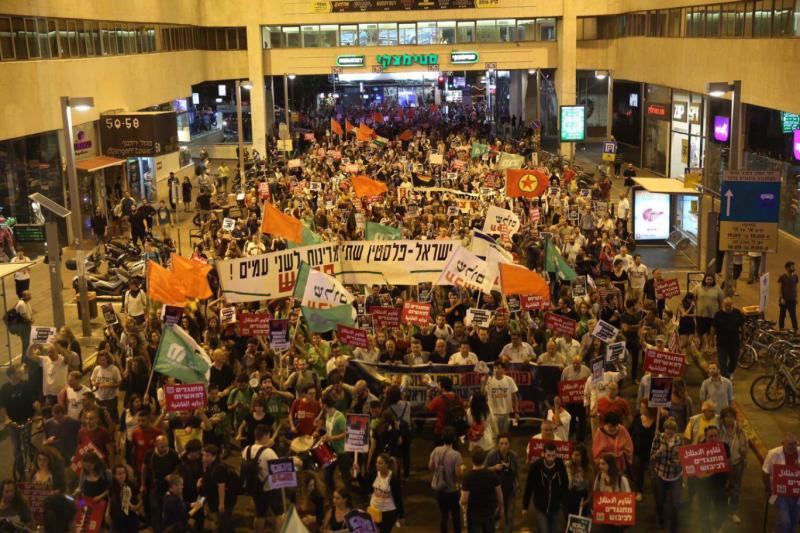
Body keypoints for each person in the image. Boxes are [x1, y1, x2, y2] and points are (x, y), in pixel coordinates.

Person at [0, 365, 39, 479]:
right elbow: (2, 406)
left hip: (27, 419)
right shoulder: (5, 389)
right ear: (12, 375)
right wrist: (7, 419)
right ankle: (21, 471)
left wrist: (38, 414)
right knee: (17, 446)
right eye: (18, 372)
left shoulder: (26, 385)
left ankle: (37, 465)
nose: (21, 373)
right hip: (12, 422)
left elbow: (34, 401)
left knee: (26, 443)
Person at [522, 442, 568, 533]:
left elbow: (565, 483)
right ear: (543, 454)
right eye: (548, 455)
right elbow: (529, 486)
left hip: (555, 507)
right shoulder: (535, 467)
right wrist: (525, 506)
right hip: (540, 508)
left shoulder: (560, 465)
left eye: (553, 455)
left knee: (554, 530)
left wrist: (562, 501)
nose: (551, 458)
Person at [242, 424, 281, 533]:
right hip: (269, 488)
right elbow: (278, 470)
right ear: (266, 435)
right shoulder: (269, 452)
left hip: (254, 487)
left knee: (260, 514)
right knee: (279, 514)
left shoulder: (246, 449)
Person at [695, 425, 730, 533]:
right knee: (704, 513)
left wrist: (729, 480)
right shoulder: (698, 448)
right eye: (710, 436)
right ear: (705, 437)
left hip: (720, 485)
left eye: (716, 435)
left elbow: (728, 463)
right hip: (704, 486)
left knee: (723, 511)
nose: (714, 438)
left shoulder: (724, 446)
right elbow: (695, 469)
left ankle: (716, 527)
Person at [761, 433, 799, 533]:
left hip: (797, 494)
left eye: (795, 443)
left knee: (794, 521)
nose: (793, 446)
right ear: (783, 443)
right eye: (790, 444)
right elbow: (765, 472)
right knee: (785, 521)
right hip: (781, 494)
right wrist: (767, 489)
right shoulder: (773, 453)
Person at [461, 448, 504, 533]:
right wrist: (501, 507)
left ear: (472, 460)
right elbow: (499, 493)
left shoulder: (468, 477)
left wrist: (463, 508)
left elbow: (464, 500)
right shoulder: (492, 475)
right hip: (489, 512)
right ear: (484, 459)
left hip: (474, 514)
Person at [429, 426, 463, 533]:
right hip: (452, 490)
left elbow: (430, 467)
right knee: (456, 515)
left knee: (444, 515)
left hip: (439, 489)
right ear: (454, 439)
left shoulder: (436, 450)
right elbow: (458, 474)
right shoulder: (456, 455)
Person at [484, 433, 518, 533]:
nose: (504, 446)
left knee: (509, 514)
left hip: (509, 489)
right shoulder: (491, 455)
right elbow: (483, 469)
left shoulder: (513, 456)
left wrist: (517, 481)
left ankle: (507, 529)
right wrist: (494, 468)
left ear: (509, 444)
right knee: (495, 512)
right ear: (498, 444)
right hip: (495, 490)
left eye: (506, 443)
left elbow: (516, 471)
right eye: (501, 443)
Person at [718, 406, 747, 524]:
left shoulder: (741, 431)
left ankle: (733, 512)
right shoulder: (719, 430)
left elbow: (745, 446)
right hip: (722, 465)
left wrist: (744, 455)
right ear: (723, 418)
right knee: (721, 488)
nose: (729, 419)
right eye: (726, 417)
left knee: (735, 489)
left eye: (731, 417)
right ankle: (721, 511)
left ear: (735, 418)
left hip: (736, 464)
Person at [368, 453, 404, 533]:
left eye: (380, 463)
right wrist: (358, 474)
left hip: (388, 513)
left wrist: (401, 515)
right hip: (374, 510)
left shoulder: (393, 479)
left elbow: (398, 498)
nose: (377, 465)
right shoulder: (374, 473)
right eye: (377, 462)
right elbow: (365, 484)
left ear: (387, 465)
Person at [712, 297, 745, 378]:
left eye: (729, 305)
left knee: (734, 361)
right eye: (726, 305)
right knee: (722, 363)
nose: (728, 307)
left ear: (732, 305)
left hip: (734, 343)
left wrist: (743, 338)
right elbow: (713, 328)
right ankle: (726, 378)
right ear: (723, 305)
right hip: (722, 343)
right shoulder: (718, 314)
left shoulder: (737, 313)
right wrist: (712, 339)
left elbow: (743, 326)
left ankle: (730, 371)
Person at [483, 363, 518, 435]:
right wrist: (483, 383)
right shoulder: (489, 380)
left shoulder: (509, 380)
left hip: (506, 412)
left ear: (503, 370)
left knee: (504, 434)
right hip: (493, 413)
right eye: (495, 368)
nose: (496, 370)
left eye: (498, 368)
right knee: (495, 435)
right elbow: (483, 395)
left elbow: (514, 396)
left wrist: (516, 411)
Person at [107, 463, 141, 533]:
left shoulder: (132, 485)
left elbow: (141, 499)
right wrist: (107, 513)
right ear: (114, 475)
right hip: (117, 518)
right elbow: (110, 500)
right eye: (119, 474)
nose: (122, 476)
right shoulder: (112, 486)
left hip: (130, 518)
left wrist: (136, 507)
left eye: (123, 473)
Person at [778, 261, 798, 331]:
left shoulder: (795, 277)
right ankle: (781, 328)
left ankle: (795, 329)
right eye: (792, 267)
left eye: (793, 266)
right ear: (787, 268)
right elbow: (780, 289)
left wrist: (796, 297)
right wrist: (782, 298)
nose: (794, 268)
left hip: (792, 300)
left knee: (793, 315)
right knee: (782, 315)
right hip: (784, 300)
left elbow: (795, 287)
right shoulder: (782, 277)